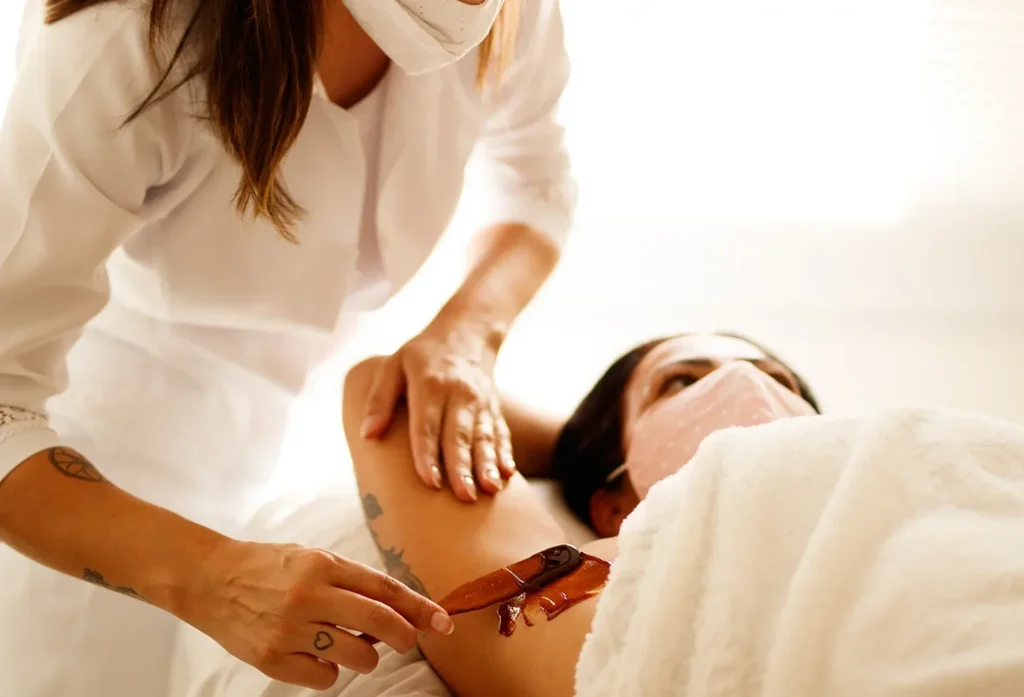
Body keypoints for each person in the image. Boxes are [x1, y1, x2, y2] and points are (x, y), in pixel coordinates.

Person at [0, 0, 574, 694]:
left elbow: (535, 184)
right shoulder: (121, 38)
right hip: (95, 490)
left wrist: (465, 335)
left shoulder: (511, 12)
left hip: (298, 454)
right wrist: (211, 575)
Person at [339, 332, 820, 697]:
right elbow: (401, 390)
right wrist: (578, 454)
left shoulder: (883, 481)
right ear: (611, 508)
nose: (747, 387)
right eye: (681, 382)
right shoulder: (607, 576)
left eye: (777, 382)